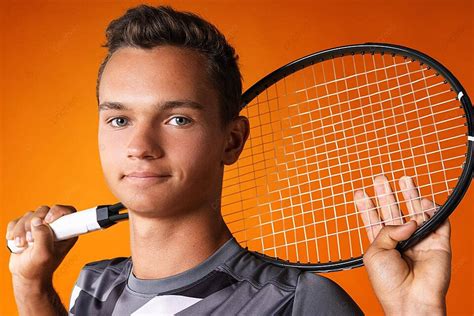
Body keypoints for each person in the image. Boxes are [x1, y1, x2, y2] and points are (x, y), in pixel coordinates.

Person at [7, 5, 451, 315]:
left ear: (232, 140)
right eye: (119, 119)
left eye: (177, 118)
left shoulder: (295, 302)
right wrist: (32, 286)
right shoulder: (93, 287)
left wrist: (418, 313)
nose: (140, 145)